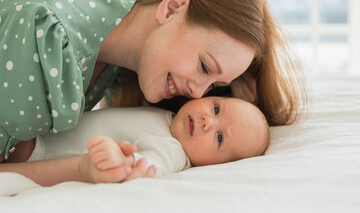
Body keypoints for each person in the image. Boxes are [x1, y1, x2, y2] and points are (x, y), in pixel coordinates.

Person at [0, 0, 308, 172]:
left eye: (214, 86)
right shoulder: (44, 41)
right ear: (171, 8)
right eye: (204, 67)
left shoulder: (121, 11)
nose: (199, 93)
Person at [0, 96, 270, 185]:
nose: (207, 122)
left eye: (219, 137)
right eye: (216, 109)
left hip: (35, 151)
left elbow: (149, 166)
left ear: (216, 164)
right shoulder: (167, 115)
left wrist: (126, 161)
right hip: (38, 129)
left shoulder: (173, 151)